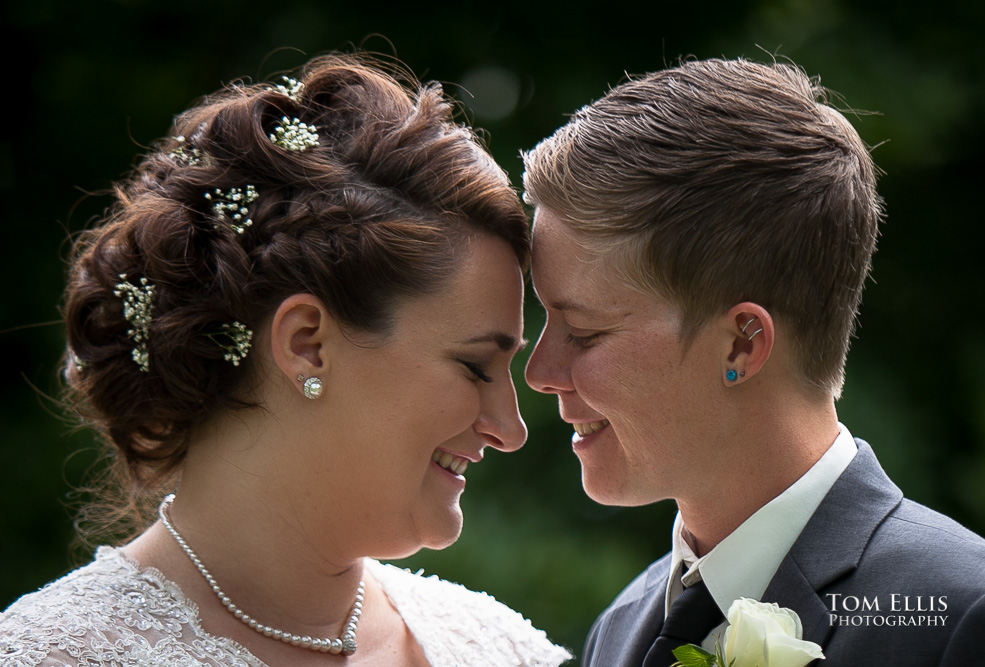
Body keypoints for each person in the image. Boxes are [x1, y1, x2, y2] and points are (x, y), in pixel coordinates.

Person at [0, 53, 571, 666]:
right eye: (476, 366)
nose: (509, 430)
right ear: (306, 343)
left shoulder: (499, 650)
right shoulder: (55, 655)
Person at [521, 57, 985, 666]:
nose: (539, 373)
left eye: (583, 333)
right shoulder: (619, 629)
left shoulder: (966, 620)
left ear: (742, 344)